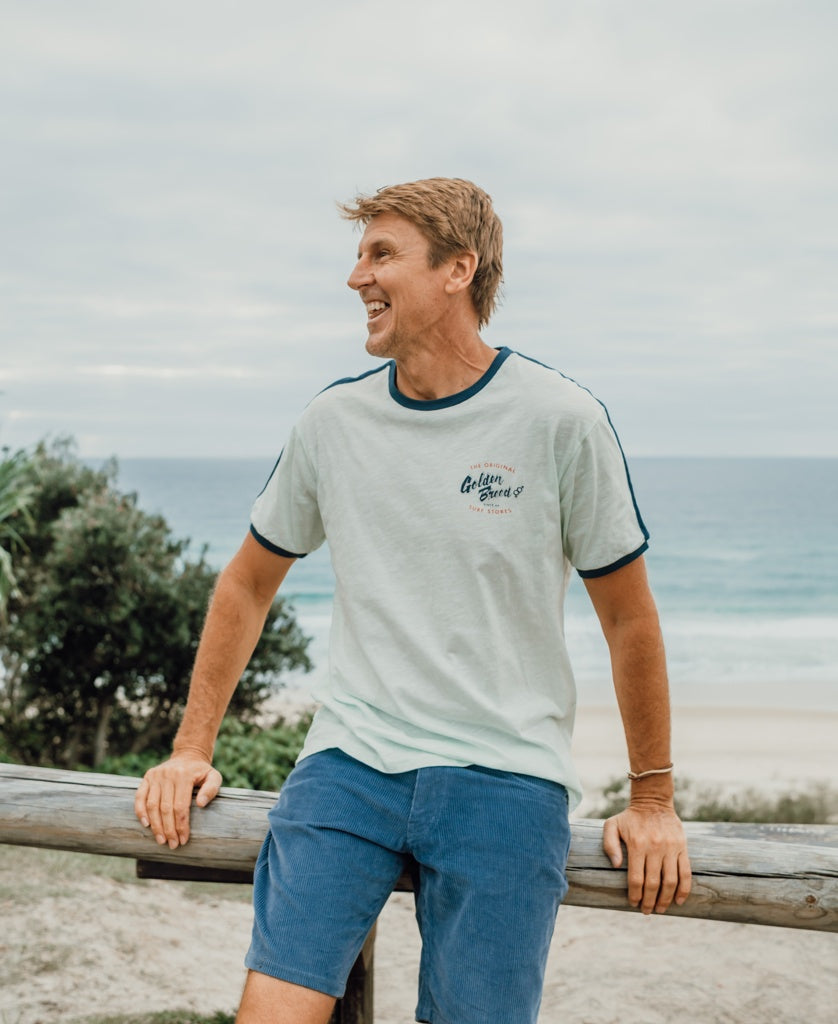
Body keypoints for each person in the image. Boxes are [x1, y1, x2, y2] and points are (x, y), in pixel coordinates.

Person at [135, 177, 691, 1024]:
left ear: (458, 269)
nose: (356, 277)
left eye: (381, 254)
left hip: (507, 780)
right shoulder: (333, 423)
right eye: (360, 255)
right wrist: (189, 747)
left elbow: (628, 617)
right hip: (348, 768)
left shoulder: (560, 419)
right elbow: (248, 583)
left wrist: (653, 800)